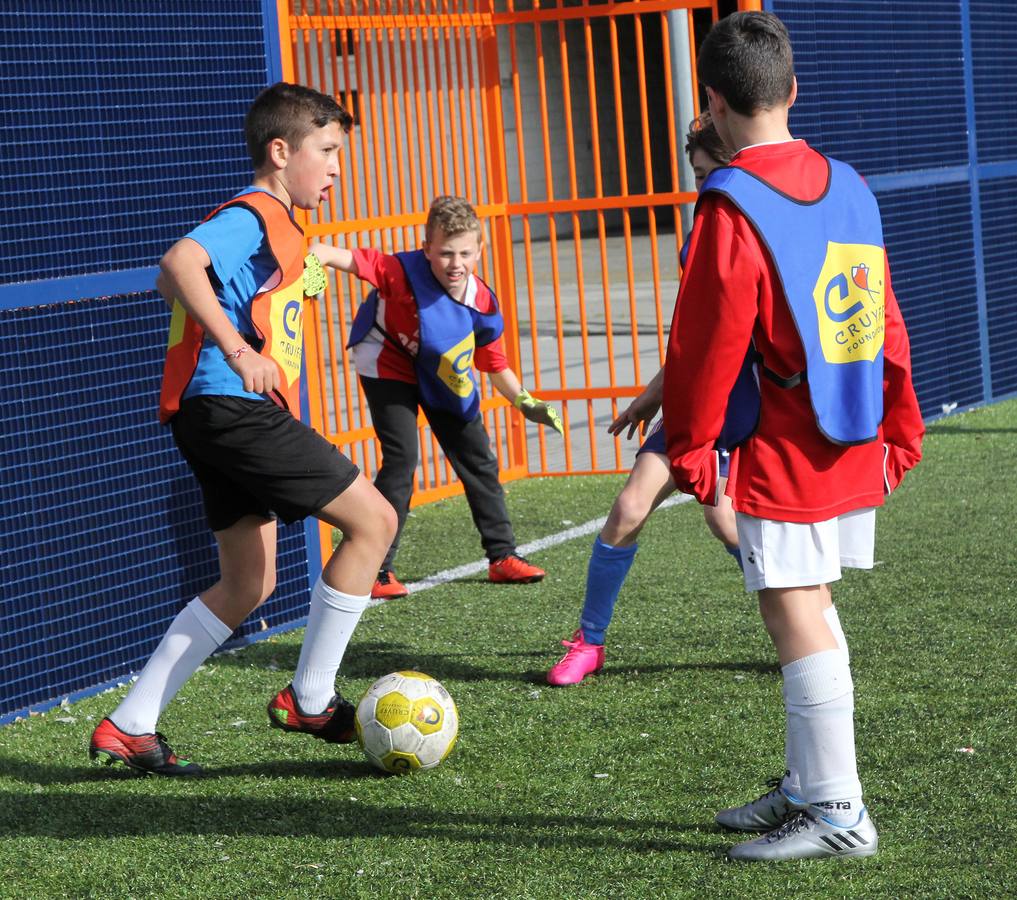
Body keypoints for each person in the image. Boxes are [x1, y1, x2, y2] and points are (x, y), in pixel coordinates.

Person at [662, 12, 924, 861]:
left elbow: (704, 345)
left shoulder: (728, 205)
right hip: (852, 429)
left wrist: (693, 448)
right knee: (813, 601)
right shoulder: (848, 182)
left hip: (784, 443)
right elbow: (884, 316)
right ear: (791, 89)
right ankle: (811, 785)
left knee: (791, 609)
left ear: (710, 102)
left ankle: (839, 813)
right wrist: (899, 418)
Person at [88, 82, 398, 776]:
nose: (336, 167)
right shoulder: (256, 210)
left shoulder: (283, 228)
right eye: (327, 150)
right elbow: (177, 266)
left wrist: (288, 288)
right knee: (373, 522)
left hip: (208, 415)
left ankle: (130, 724)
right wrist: (237, 349)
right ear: (280, 151)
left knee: (246, 585)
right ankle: (311, 698)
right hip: (229, 406)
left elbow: (220, 288)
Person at [546, 114, 744, 687]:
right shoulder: (699, 241)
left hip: (735, 412)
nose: (705, 188)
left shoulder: (750, 233)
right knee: (628, 509)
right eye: (699, 176)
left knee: (728, 527)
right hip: (687, 406)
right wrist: (650, 398)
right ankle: (589, 642)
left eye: (712, 174)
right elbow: (694, 343)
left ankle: (804, 617)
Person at [310, 195, 564, 601]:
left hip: (440, 369)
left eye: (465, 252)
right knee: (402, 458)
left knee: (478, 456)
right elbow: (326, 251)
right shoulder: (398, 270)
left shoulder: (482, 303)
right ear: (426, 247)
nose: (456, 263)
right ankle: (378, 570)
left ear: (480, 251)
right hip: (386, 358)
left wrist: (525, 402)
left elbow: (494, 364)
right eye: (445, 252)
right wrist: (314, 269)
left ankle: (502, 557)